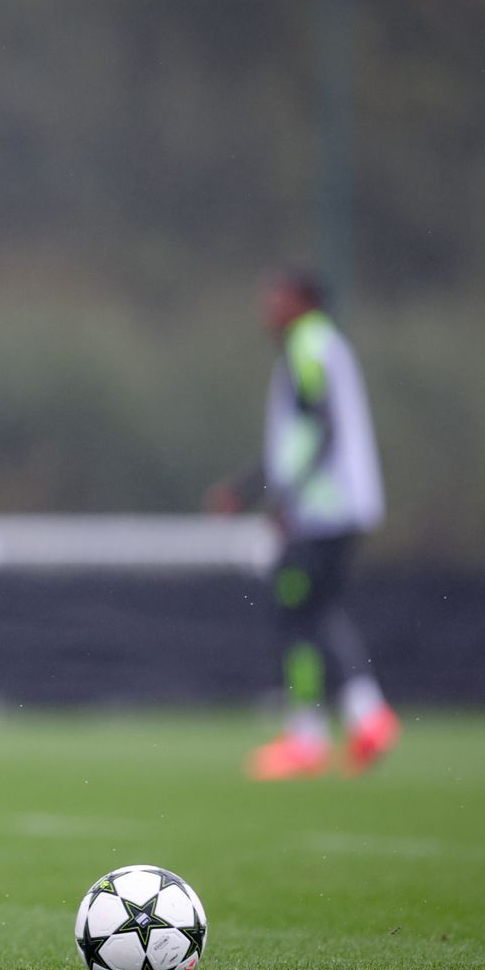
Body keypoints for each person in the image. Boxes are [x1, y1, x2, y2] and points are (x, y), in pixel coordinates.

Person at [205, 269, 399, 780]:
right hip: (342, 507)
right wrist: (248, 488)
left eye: (278, 298)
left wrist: (288, 498)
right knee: (315, 609)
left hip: (323, 509)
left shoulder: (307, 345)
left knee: (293, 611)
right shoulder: (326, 346)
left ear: (304, 303)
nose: (268, 308)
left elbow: (321, 426)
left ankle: (307, 737)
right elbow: (298, 440)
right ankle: (368, 716)